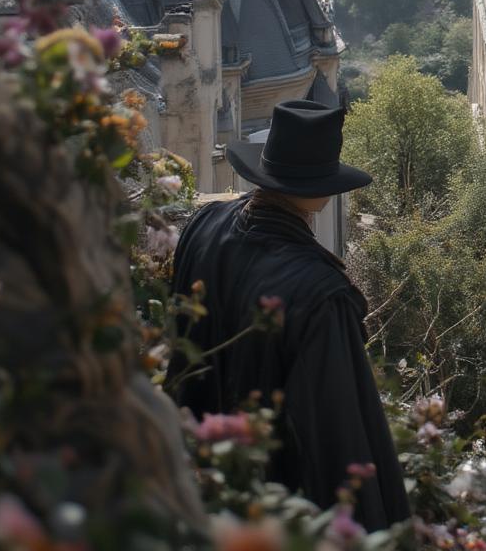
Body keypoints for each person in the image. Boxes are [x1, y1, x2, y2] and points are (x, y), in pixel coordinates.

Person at [167, 100, 410, 530]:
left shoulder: (202, 224)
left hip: (190, 476)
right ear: (321, 189)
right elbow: (337, 431)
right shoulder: (319, 293)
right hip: (267, 508)